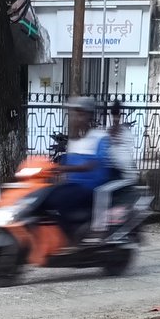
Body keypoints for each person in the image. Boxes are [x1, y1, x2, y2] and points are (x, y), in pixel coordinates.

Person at [41, 96, 110, 234]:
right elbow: (64, 165)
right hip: (72, 186)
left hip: (91, 188)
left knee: (61, 201)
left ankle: (72, 238)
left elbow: (93, 165)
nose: (76, 117)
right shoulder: (73, 140)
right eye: (74, 113)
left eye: (80, 113)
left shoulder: (99, 137)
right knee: (43, 197)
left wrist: (63, 168)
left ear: (89, 115)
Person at [107, 98, 136, 177]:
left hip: (123, 169)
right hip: (114, 168)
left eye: (117, 115)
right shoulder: (110, 132)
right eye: (115, 115)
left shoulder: (125, 132)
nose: (116, 118)